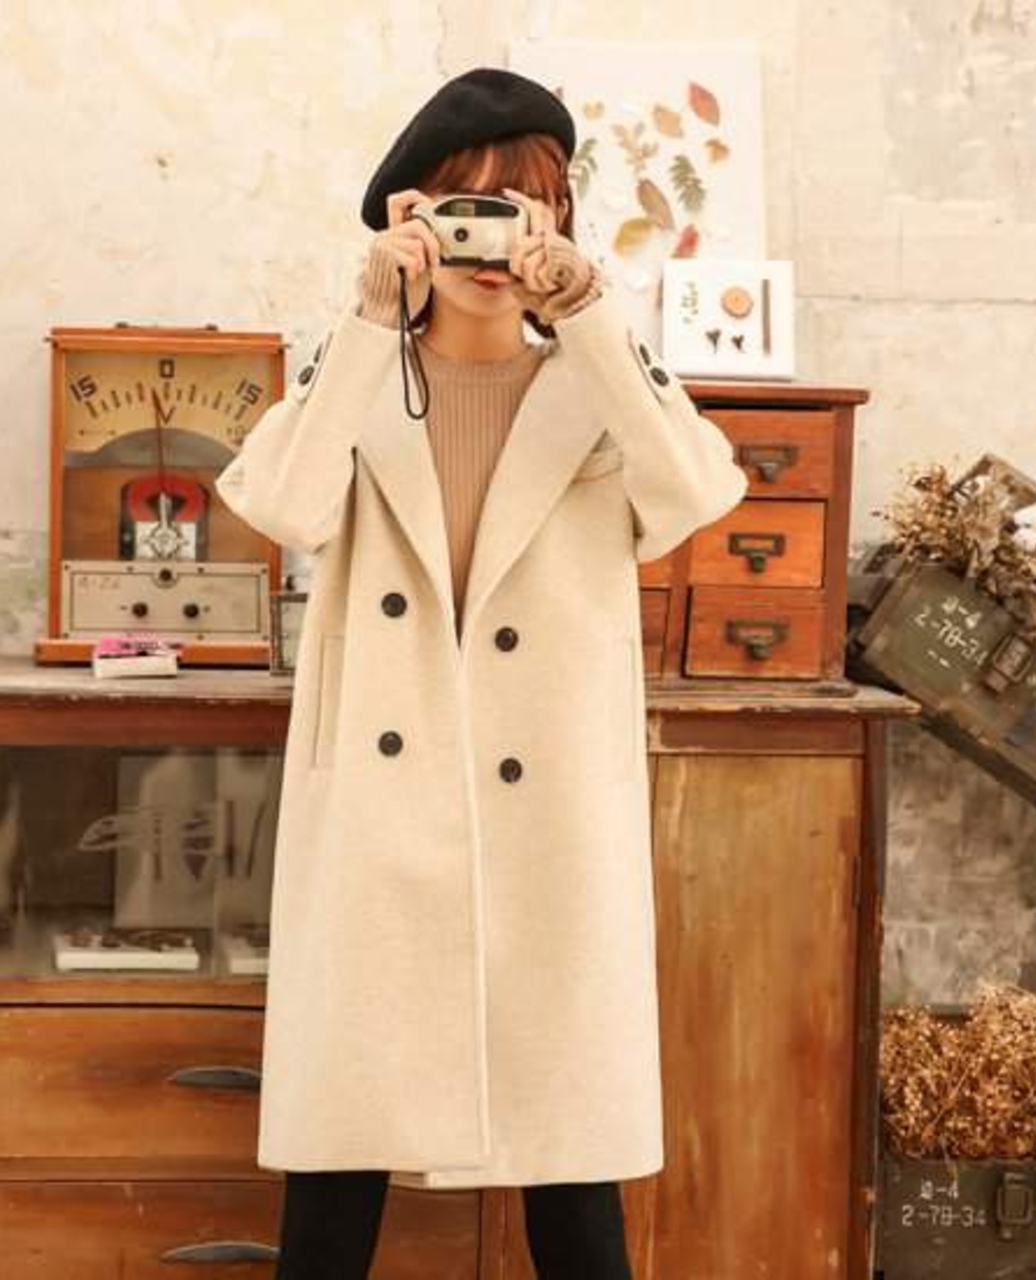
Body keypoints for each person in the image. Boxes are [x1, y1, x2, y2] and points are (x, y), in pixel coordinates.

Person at [215, 66, 749, 1280]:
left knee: (572, 1176)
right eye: (461, 203)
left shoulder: (594, 386)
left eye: (521, 205)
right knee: (337, 1167)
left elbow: (697, 491)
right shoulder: (358, 379)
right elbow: (283, 506)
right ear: (408, 219)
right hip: (380, 825)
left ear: (556, 223)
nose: (488, 238)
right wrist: (368, 321)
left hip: (548, 822)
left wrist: (593, 313)